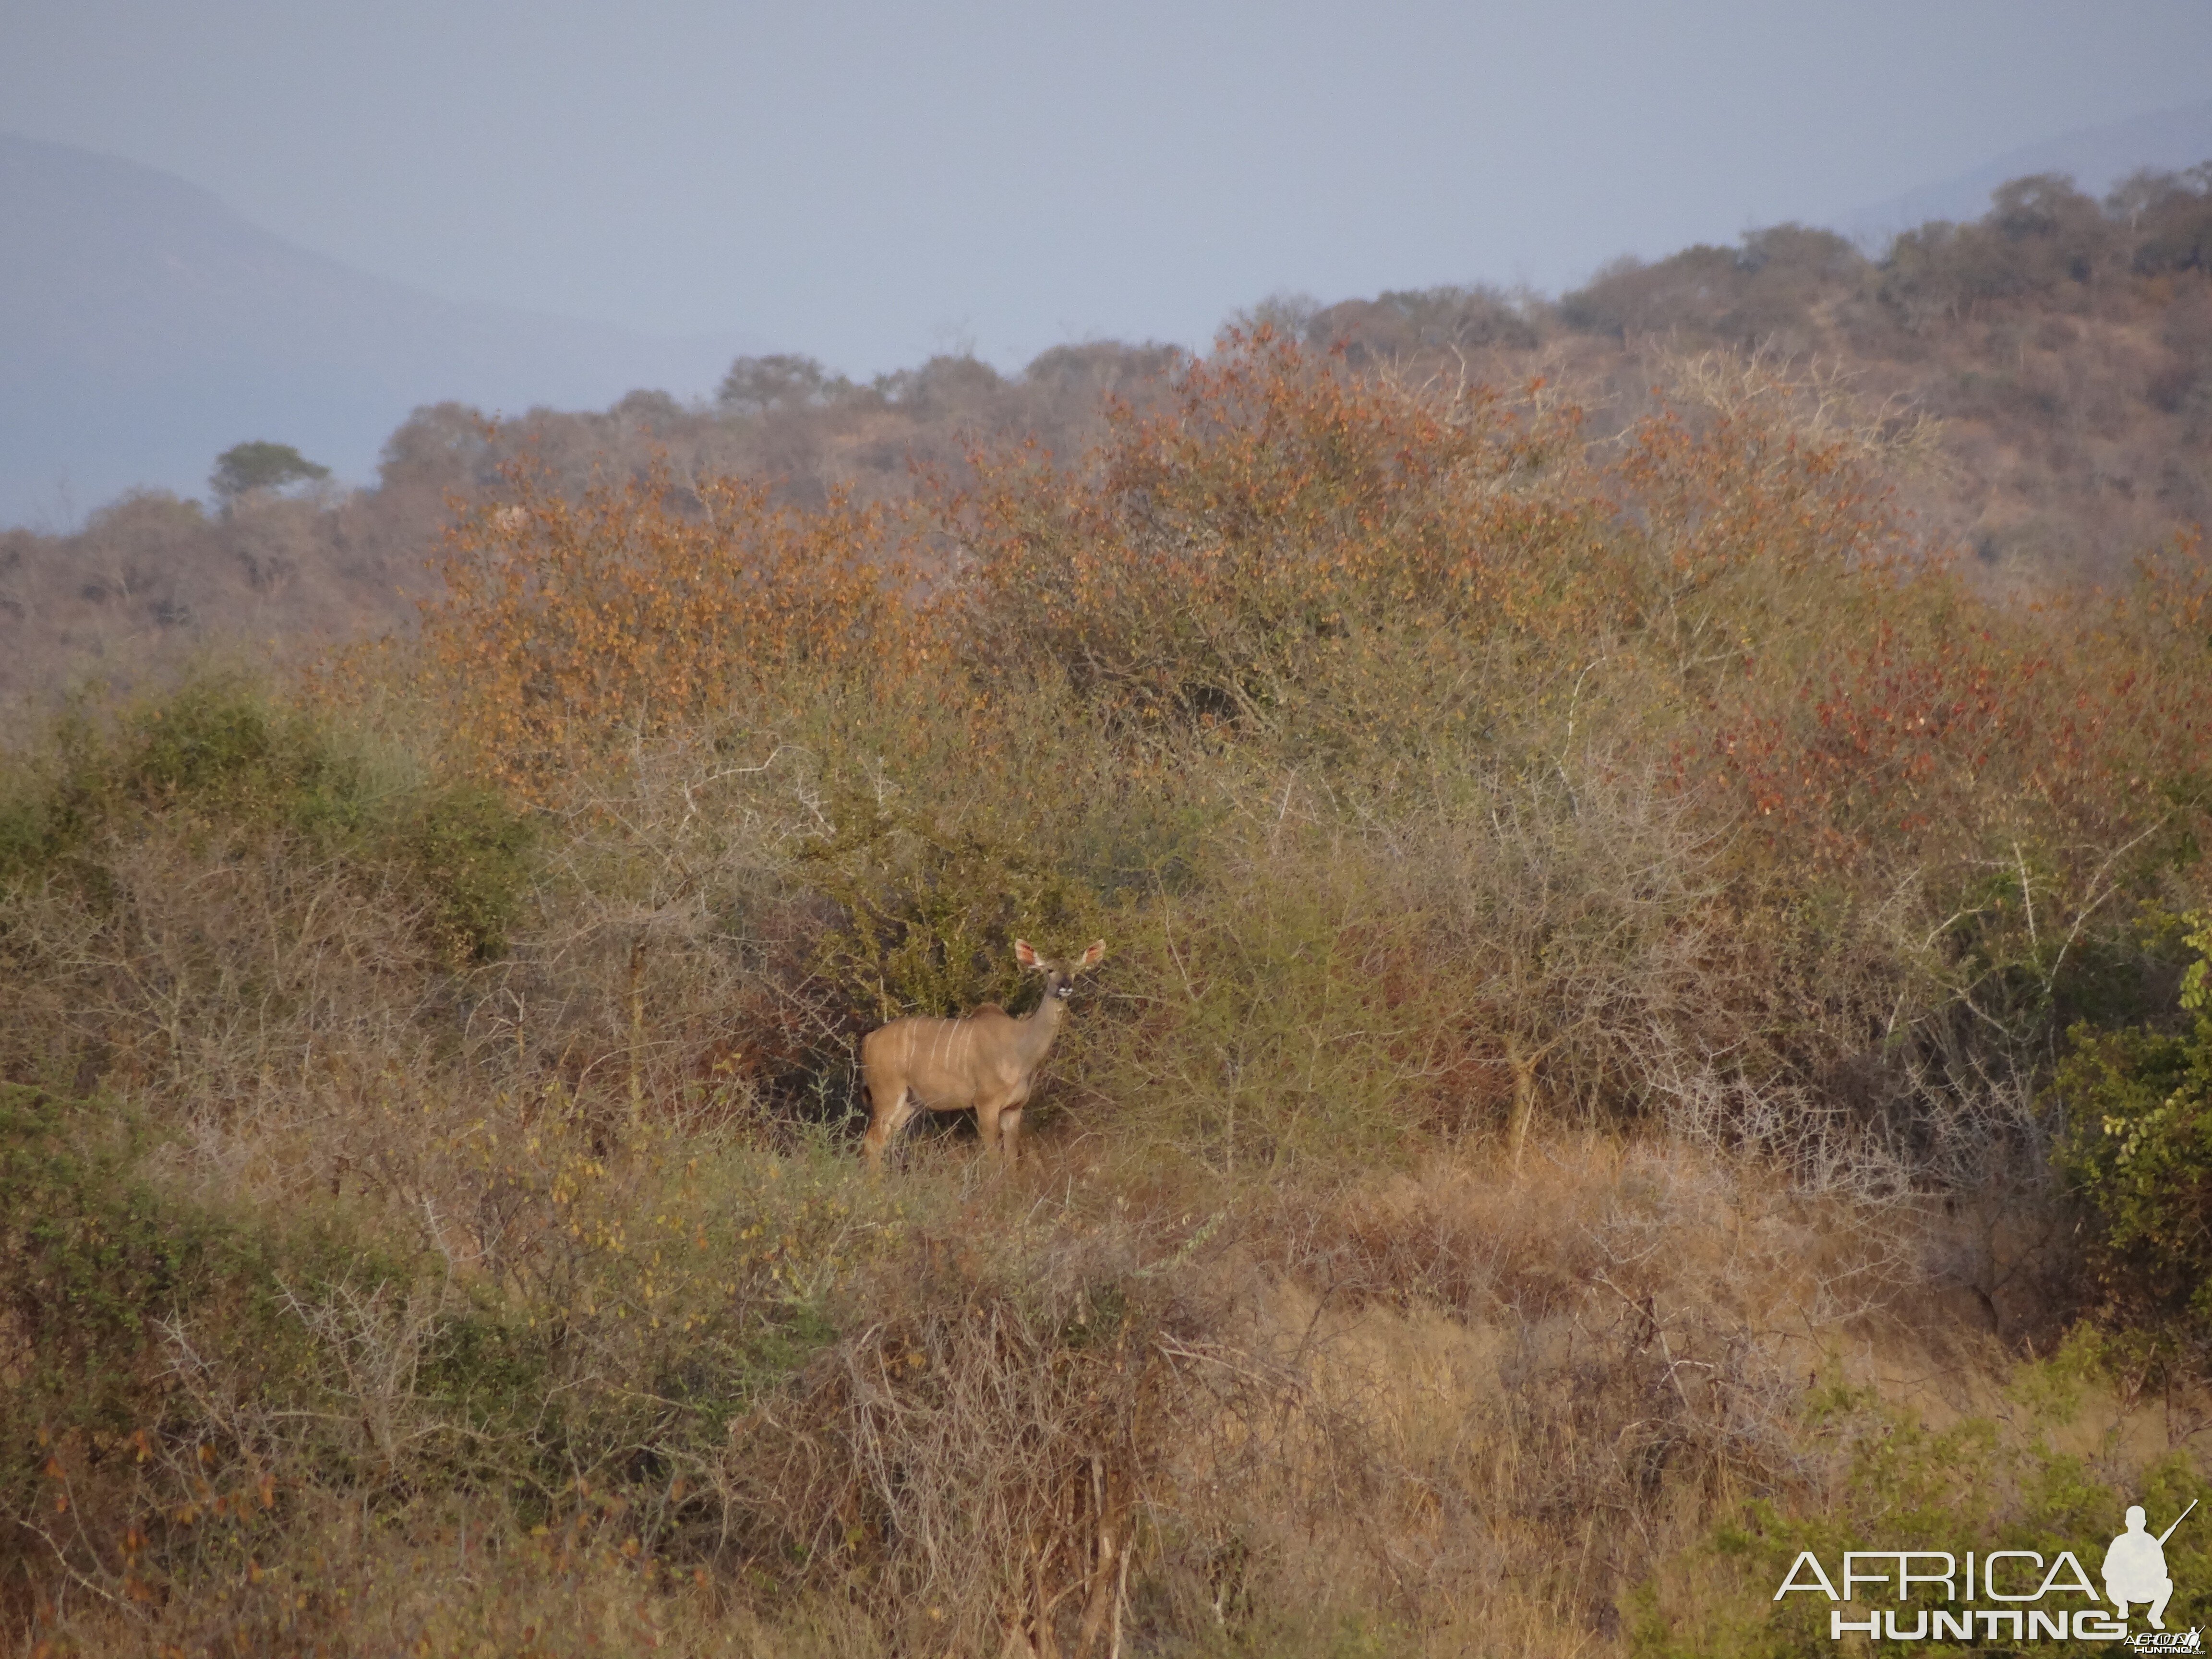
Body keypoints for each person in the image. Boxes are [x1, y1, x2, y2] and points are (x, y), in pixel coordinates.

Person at [2104, 1505, 2175, 1629]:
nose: (2135, 1524)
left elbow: (2163, 1570)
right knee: (2113, 1580)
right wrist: (2125, 1571)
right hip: (2124, 1589)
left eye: (2139, 1521)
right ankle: (2122, 1606)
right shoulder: (2120, 1542)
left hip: (2145, 1587)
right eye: (2133, 1521)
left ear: (2144, 1523)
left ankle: (2154, 1616)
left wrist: (2147, 1570)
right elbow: (2107, 1570)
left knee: (2167, 1584)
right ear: (2127, 1523)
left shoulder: (2151, 1542)